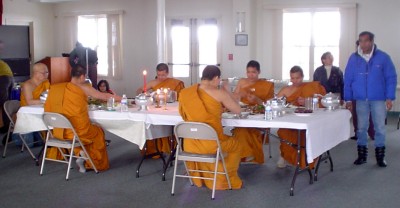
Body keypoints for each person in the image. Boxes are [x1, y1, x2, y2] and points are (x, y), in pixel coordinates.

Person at [44, 64, 121, 173]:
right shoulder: (83, 87)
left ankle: (80, 153)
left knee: (78, 135)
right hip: (78, 132)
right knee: (98, 132)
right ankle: (92, 163)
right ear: (82, 76)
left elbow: (47, 108)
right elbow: (104, 96)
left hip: (58, 132)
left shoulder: (56, 88)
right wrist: (122, 99)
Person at [179, 65, 243, 190]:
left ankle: (202, 177)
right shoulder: (219, 93)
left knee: (210, 143)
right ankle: (223, 178)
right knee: (236, 145)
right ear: (216, 78)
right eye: (219, 80)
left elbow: (183, 114)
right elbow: (238, 110)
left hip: (190, 143)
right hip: (211, 144)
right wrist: (227, 90)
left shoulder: (186, 93)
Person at [344, 31, 397, 167]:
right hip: (360, 99)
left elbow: (391, 78)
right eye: (360, 41)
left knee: (379, 127)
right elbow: (348, 79)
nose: (363, 44)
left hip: (378, 99)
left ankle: (380, 157)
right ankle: (362, 155)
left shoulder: (383, 58)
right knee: (361, 128)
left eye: (366, 41)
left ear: (372, 41)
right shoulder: (353, 58)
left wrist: (390, 97)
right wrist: (348, 99)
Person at [276, 66, 326, 169]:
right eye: (292, 78)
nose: (295, 81)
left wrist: (307, 101)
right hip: (290, 119)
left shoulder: (310, 87)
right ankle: (285, 156)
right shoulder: (286, 89)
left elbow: (322, 101)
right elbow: (276, 102)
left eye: (297, 78)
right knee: (283, 131)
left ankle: (306, 159)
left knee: (305, 134)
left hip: (308, 120)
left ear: (302, 77)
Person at [136, 63, 185, 157]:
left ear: (168, 73)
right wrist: (143, 92)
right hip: (157, 108)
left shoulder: (175, 83)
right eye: (159, 75)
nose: (161, 77)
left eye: (163, 75)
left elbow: (182, 97)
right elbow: (139, 90)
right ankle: (155, 149)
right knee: (153, 124)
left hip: (171, 108)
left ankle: (171, 147)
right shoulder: (153, 82)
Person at [232, 60, 274, 164]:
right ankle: (246, 154)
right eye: (248, 72)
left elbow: (268, 105)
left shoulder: (266, 85)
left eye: (254, 72)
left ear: (259, 72)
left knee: (248, 130)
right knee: (239, 130)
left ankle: (249, 154)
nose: (251, 75)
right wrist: (240, 95)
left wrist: (256, 99)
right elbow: (234, 99)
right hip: (243, 112)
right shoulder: (242, 82)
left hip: (259, 113)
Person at [14, 63, 51, 147]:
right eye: (43, 73)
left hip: (42, 110)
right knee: (33, 143)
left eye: (47, 72)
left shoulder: (45, 83)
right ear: (35, 73)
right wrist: (46, 100)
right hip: (29, 114)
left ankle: (52, 138)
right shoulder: (28, 85)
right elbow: (30, 102)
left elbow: (50, 95)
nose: (46, 75)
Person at [0, 40, 14, 135]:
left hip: (3, 78)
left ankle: (5, 127)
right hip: (9, 78)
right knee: (5, 104)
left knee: (3, 104)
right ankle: (6, 126)